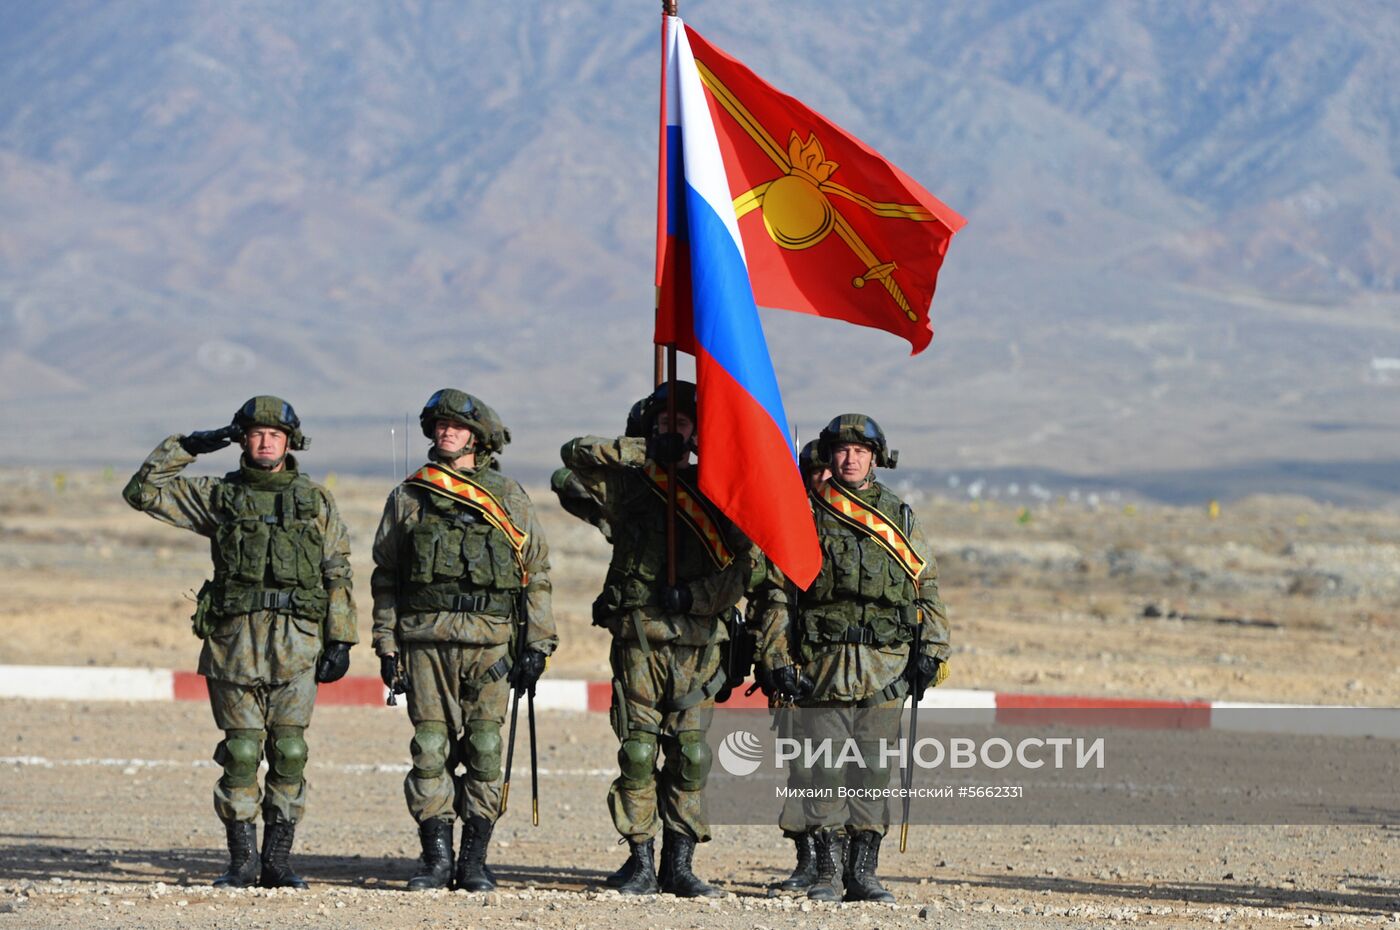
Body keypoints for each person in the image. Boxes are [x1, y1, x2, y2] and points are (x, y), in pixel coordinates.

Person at [123, 396, 356, 889]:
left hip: (297, 642)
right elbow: (142, 492)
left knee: (290, 751)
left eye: (275, 434)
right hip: (235, 642)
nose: (266, 441)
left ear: (290, 441)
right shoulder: (219, 497)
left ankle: (278, 860)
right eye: (254, 433)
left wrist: (342, 638)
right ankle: (242, 860)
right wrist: (189, 445)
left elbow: (337, 570)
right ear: (241, 440)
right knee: (242, 752)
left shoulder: (315, 500)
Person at [558, 381, 754, 897]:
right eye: (663, 421)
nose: (673, 428)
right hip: (639, 639)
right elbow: (571, 457)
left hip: (698, 643)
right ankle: (640, 860)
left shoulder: (720, 489)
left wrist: (694, 597)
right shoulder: (631, 486)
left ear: (698, 432)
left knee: (690, 756)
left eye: (683, 423)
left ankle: (680, 865)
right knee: (639, 752)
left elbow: (743, 568)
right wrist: (644, 452)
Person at [753, 414, 950, 903]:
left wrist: (933, 649)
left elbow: (925, 587)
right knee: (825, 769)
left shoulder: (899, 517)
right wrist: (776, 655)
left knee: (873, 769)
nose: (851, 458)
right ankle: (825, 871)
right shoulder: (804, 513)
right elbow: (779, 595)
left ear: (876, 458)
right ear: (830, 455)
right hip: (823, 665)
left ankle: (863, 874)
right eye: (842, 450)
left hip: (886, 666)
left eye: (861, 451)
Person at [370, 389, 556, 892]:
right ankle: (435, 860)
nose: (446, 432)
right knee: (430, 748)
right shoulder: (408, 496)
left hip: (492, 645)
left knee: (485, 749)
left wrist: (537, 644)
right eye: (439, 425)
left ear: (478, 436)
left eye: (457, 426)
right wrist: (386, 646)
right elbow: (385, 576)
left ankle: (474, 861)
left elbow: (534, 573)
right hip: (424, 643)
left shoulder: (508, 495)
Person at [754, 440, 829, 893]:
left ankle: (836, 863)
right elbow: (772, 597)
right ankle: (806, 860)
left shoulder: (856, 527)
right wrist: (777, 658)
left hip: (841, 665)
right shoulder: (788, 527)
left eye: (827, 472)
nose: (823, 479)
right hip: (795, 664)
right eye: (814, 473)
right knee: (802, 767)